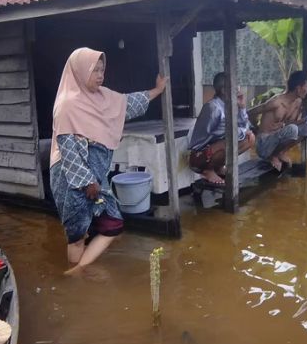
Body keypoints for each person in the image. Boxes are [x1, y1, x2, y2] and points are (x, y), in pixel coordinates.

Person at [49, 47, 167, 275]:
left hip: (95, 177)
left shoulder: (104, 97)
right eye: (94, 70)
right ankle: (76, 278)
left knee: (113, 223)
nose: (100, 75)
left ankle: (77, 271)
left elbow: (128, 103)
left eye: (102, 69)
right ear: (80, 71)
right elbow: (68, 151)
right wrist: (87, 183)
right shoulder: (67, 105)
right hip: (71, 180)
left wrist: (158, 90)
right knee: (77, 234)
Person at [188, 72, 255, 185]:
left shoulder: (230, 105)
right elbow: (231, 132)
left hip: (216, 148)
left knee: (250, 139)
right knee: (228, 142)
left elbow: (244, 127)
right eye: (235, 86)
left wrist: (242, 107)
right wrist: (244, 131)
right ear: (224, 90)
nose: (238, 89)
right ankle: (207, 170)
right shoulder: (213, 108)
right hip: (198, 157)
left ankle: (218, 167)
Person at [247, 70, 307, 171]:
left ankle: (280, 153)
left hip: (277, 139)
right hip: (264, 144)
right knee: (293, 129)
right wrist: (255, 129)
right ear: (298, 88)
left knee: (306, 127)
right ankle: (272, 156)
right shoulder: (276, 102)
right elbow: (250, 112)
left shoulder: (298, 103)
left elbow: (290, 124)